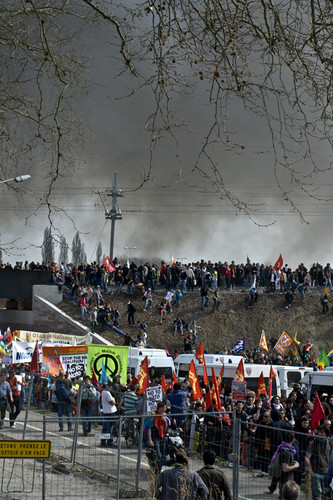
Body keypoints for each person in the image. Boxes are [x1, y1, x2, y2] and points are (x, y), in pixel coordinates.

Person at [305, 424, 330, 500]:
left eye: (322, 432)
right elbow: (307, 458)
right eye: (319, 432)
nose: (320, 434)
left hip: (326, 473)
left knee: (324, 494)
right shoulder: (314, 443)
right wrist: (311, 472)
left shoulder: (329, 443)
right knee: (317, 494)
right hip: (316, 473)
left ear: (326, 434)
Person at [147, 402, 170, 474]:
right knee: (159, 455)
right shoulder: (153, 415)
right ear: (160, 408)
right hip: (155, 437)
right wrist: (150, 439)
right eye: (164, 408)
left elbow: (166, 427)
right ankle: (157, 472)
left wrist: (165, 421)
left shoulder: (164, 416)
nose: (165, 409)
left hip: (162, 437)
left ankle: (158, 470)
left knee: (163, 455)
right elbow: (148, 428)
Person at [100, 381, 117, 447]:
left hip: (107, 411)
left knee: (106, 427)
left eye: (111, 386)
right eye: (109, 386)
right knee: (109, 428)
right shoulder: (106, 393)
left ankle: (103, 440)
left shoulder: (105, 392)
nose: (110, 387)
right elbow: (112, 402)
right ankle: (109, 441)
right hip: (110, 412)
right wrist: (114, 399)